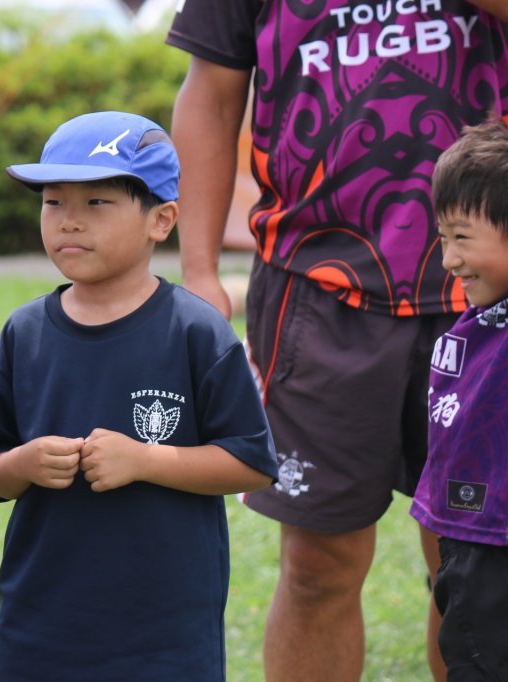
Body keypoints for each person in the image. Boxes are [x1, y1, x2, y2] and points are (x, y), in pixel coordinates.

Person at [165, 2, 508, 680]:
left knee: (474, 556)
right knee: (318, 562)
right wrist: (200, 270)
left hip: (485, 290)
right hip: (317, 287)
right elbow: (211, 94)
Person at [0, 110, 279, 681]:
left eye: (96, 203)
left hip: (165, 630)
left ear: (161, 220)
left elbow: (251, 463)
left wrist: (145, 460)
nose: (69, 221)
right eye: (53, 202)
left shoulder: (195, 331)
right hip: (41, 623)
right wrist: (24, 464)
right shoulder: (24, 333)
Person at [410, 117, 508, 682]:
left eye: (462, 238)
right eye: (443, 238)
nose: (448, 259)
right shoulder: (476, 322)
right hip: (466, 545)